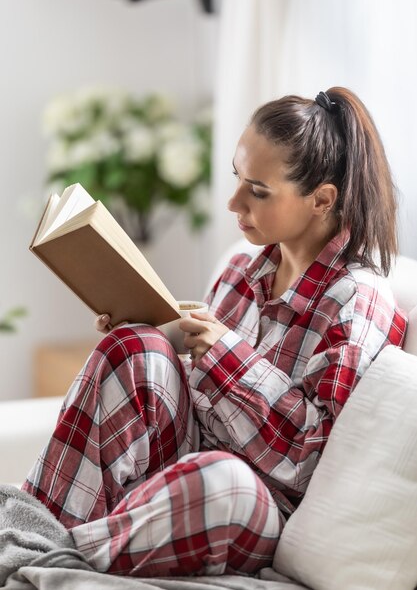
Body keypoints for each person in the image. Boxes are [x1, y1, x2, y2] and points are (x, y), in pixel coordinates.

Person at [23, 87, 407, 578]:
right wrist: (146, 328)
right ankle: (31, 535)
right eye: (237, 179)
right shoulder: (241, 271)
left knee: (221, 481)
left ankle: (55, 558)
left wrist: (225, 351)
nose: (233, 202)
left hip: (257, 502)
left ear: (322, 200)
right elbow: (194, 391)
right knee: (132, 347)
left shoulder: (356, 300)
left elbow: (306, 459)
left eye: (258, 190)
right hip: (188, 466)